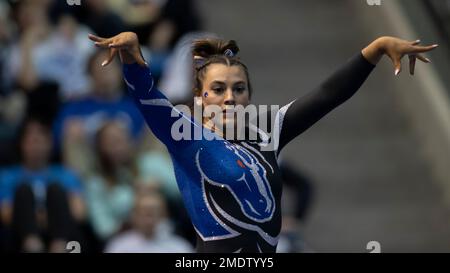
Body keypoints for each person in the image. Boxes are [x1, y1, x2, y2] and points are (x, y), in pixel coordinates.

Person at [88, 32, 437, 252]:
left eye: (238, 89)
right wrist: (133, 61)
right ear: (200, 97)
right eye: (218, 89)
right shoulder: (185, 137)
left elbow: (327, 95)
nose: (229, 98)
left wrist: (374, 51)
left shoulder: (267, 133)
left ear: (249, 97)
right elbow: (150, 100)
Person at [0, 118, 85, 252]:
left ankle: (58, 247)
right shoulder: (7, 176)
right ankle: (33, 245)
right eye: (32, 141)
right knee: (23, 190)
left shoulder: (65, 174)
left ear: (50, 143)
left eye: (40, 141)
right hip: (21, 235)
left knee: (55, 190)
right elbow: (6, 215)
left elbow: (79, 213)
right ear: (22, 144)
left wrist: (38, 217)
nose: (36, 146)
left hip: (62, 234)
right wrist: (50, 216)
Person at [104, 190, 193, 253]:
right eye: (144, 213)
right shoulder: (118, 246)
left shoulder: (180, 247)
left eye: (154, 213)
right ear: (134, 215)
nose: (149, 219)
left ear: (164, 216)